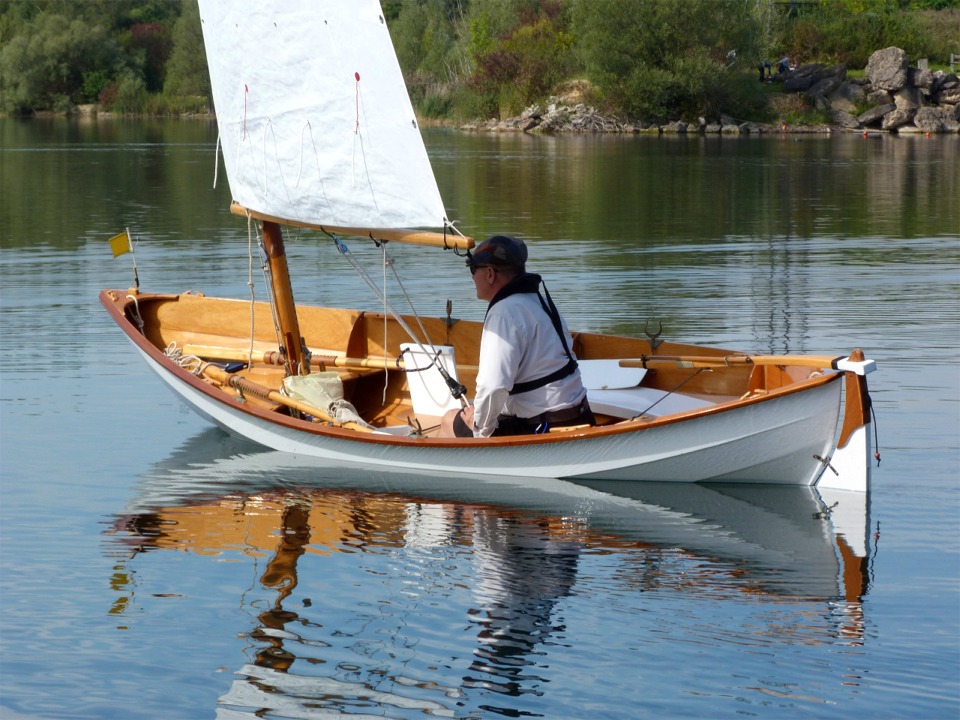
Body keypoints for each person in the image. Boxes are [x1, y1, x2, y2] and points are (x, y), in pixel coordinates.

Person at [440, 235, 594, 438]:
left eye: (472, 269)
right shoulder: (540, 301)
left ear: (490, 274)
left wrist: (479, 429)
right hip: (580, 415)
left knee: (449, 420)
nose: (471, 277)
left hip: (543, 427)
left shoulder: (503, 313)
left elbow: (493, 386)